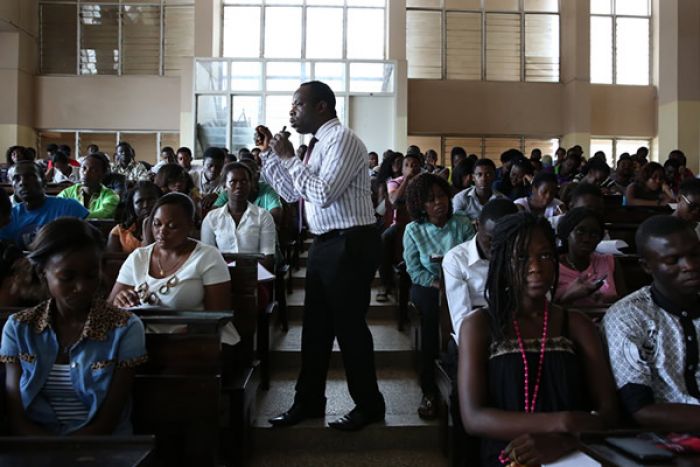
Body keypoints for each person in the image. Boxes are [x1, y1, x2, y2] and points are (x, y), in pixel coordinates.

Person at [257, 80, 385, 431]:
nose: (291, 112)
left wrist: (287, 158)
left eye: (298, 105)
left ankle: (370, 405)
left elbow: (324, 193)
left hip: (350, 242)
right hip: (326, 244)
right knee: (315, 331)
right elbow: (292, 192)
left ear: (322, 107)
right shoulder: (315, 146)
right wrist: (272, 157)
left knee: (349, 329)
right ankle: (309, 401)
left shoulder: (341, 139)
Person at [458, 212, 619, 466]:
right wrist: (562, 422)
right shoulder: (479, 326)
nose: (535, 267)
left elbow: (608, 410)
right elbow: (473, 417)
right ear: (502, 263)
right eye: (521, 257)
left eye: (545, 256)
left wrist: (565, 440)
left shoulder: (576, 325)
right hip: (507, 453)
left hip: (572, 451)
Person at [0, 218, 147, 435]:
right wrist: (48, 452)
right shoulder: (19, 328)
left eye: (90, 275)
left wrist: (65, 454)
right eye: (67, 277)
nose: (81, 287)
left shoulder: (123, 327)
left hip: (101, 447)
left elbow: (108, 421)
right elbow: (17, 416)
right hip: (34, 447)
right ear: (43, 275)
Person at [603, 215, 700, 432]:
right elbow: (640, 409)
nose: (690, 266)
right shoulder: (628, 317)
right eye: (673, 260)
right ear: (647, 266)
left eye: (695, 254)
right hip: (665, 439)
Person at [108, 193, 236, 343]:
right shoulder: (139, 257)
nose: (162, 231)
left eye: (172, 226)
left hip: (198, 341)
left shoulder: (208, 257)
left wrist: (184, 334)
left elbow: (218, 316)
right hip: (144, 340)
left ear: (190, 225)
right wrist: (120, 300)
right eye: (157, 224)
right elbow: (110, 306)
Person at [403, 173, 475, 419]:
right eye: (431, 199)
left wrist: (454, 282)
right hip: (428, 284)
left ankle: (467, 381)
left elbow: (472, 259)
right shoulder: (413, 230)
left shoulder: (462, 223)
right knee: (433, 318)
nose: (438, 203)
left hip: (462, 281)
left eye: (442, 196)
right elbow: (414, 269)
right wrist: (436, 283)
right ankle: (430, 389)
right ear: (420, 204)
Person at [443, 198, 518, 345]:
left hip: (516, 331)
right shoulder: (457, 260)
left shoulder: (521, 256)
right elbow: (461, 320)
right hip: (476, 334)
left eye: (504, 240)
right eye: (490, 239)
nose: (496, 246)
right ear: (477, 225)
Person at [201, 162, 276, 270]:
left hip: (254, 277)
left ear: (251, 184)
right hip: (221, 277)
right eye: (233, 182)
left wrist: (244, 275)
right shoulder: (212, 218)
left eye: (244, 181)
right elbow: (207, 257)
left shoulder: (263, 216)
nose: (239, 186)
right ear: (224, 186)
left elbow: (267, 257)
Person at [0, 161, 89, 249]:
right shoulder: (9, 217)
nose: (22, 182)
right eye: (16, 178)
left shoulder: (69, 208)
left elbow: (87, 245)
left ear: (43, 181)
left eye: (30, 176)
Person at [554, 208, 624, 307]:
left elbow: (625, 302)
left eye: (594, 234)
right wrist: (569, 296)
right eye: (580, 231)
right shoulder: (552, 266)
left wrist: (608, 301)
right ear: (567, 233)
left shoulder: (609, 261)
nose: (587, 239)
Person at [211, 159, 283, 226]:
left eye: (244, 180)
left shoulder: (267, 190)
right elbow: (214, 214)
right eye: (235, 180)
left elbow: (276, 215)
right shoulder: (231, 190)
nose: (239, 185)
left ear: (257, 176)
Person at [57, 152, 119, 219]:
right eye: (83, 168)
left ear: (103, 174)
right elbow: (56, 208)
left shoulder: (111, 196)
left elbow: (103, 213)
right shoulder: (67, 193)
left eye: (93, 170)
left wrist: (72, 214)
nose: (86, 173)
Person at [107, 181, 162, 253]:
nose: (145, 205)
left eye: (151, 200)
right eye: (139, 202)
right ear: (132, 205)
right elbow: (111, 262)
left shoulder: (169, 229)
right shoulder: (120, 232)